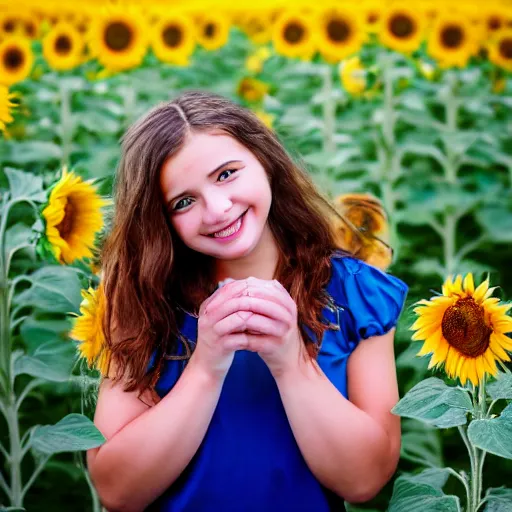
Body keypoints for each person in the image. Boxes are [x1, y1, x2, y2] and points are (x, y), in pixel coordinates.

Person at [86, 90, 409, 512]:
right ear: (160, 220)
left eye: (226, 174)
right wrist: (205, 366)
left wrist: (291, 361)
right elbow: (117, 491)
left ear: (265, 160)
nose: (218, 209)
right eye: (184, 202)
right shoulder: (143, 302)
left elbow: (366, 479)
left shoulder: (354, 293)